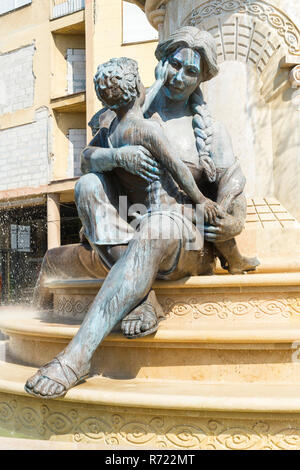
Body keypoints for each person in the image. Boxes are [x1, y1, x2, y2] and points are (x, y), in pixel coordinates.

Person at [25, 27, 258, 400]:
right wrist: (118, 156)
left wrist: (234, 220)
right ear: (161, 62)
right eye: (174, 64)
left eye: (191, 72)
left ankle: (76, 357)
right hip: (131, 230)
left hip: (183, 238)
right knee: (87, 187)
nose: (179, 76)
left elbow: (233, 184)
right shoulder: (119, 115)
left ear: (202, 79)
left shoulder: (211, 133)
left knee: (156, 228)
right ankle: (143, 297)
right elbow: (88, 160)